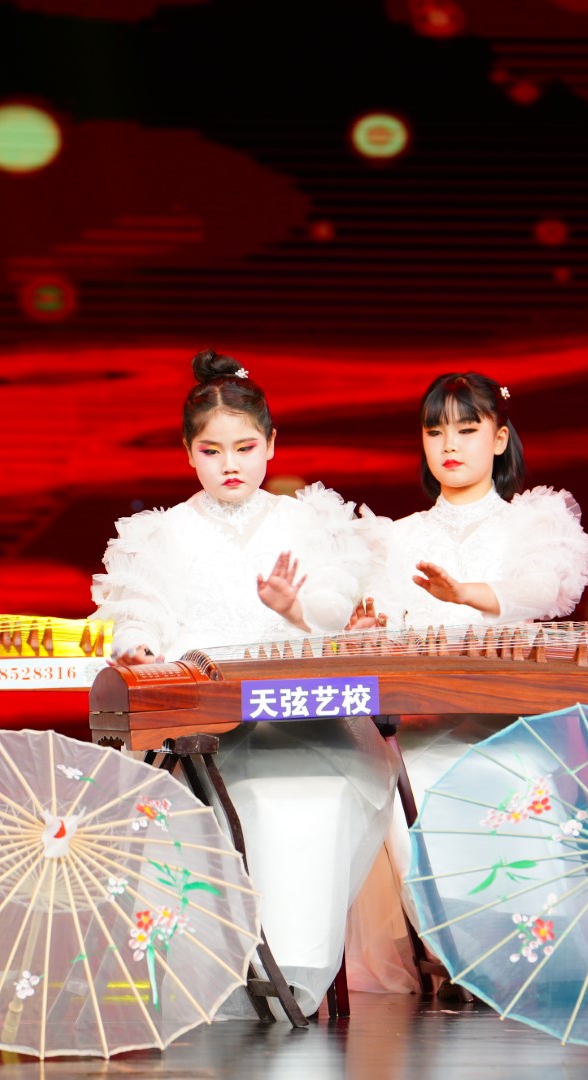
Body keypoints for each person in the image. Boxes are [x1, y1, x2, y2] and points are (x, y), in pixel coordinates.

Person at [90, 348, 396, 1017]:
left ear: (272, 445)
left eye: (245, 447)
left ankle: (295, 967)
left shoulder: (306, 521)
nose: (230, 464)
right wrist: (137, 643)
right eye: (212, 450)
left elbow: (337, 610)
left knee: (308, 800)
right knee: (220, 803)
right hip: (206, 729)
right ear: (188, 454)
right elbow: (139, 607)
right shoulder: (165, 532)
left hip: (303, 724)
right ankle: (215, 972)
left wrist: (294, 607)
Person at [345, 373, 588, 992]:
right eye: (435, 432)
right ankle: (464, 957)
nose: (449, 444)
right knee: (404, 788)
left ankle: (523, 955)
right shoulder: (395, 536)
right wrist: (365, 627)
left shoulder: (532, 524)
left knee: (511, 784)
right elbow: (376, 631)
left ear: (500, 438)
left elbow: (540, 591)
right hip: (416, 730)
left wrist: (466, 595)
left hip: (503, 725)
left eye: (466, 428)